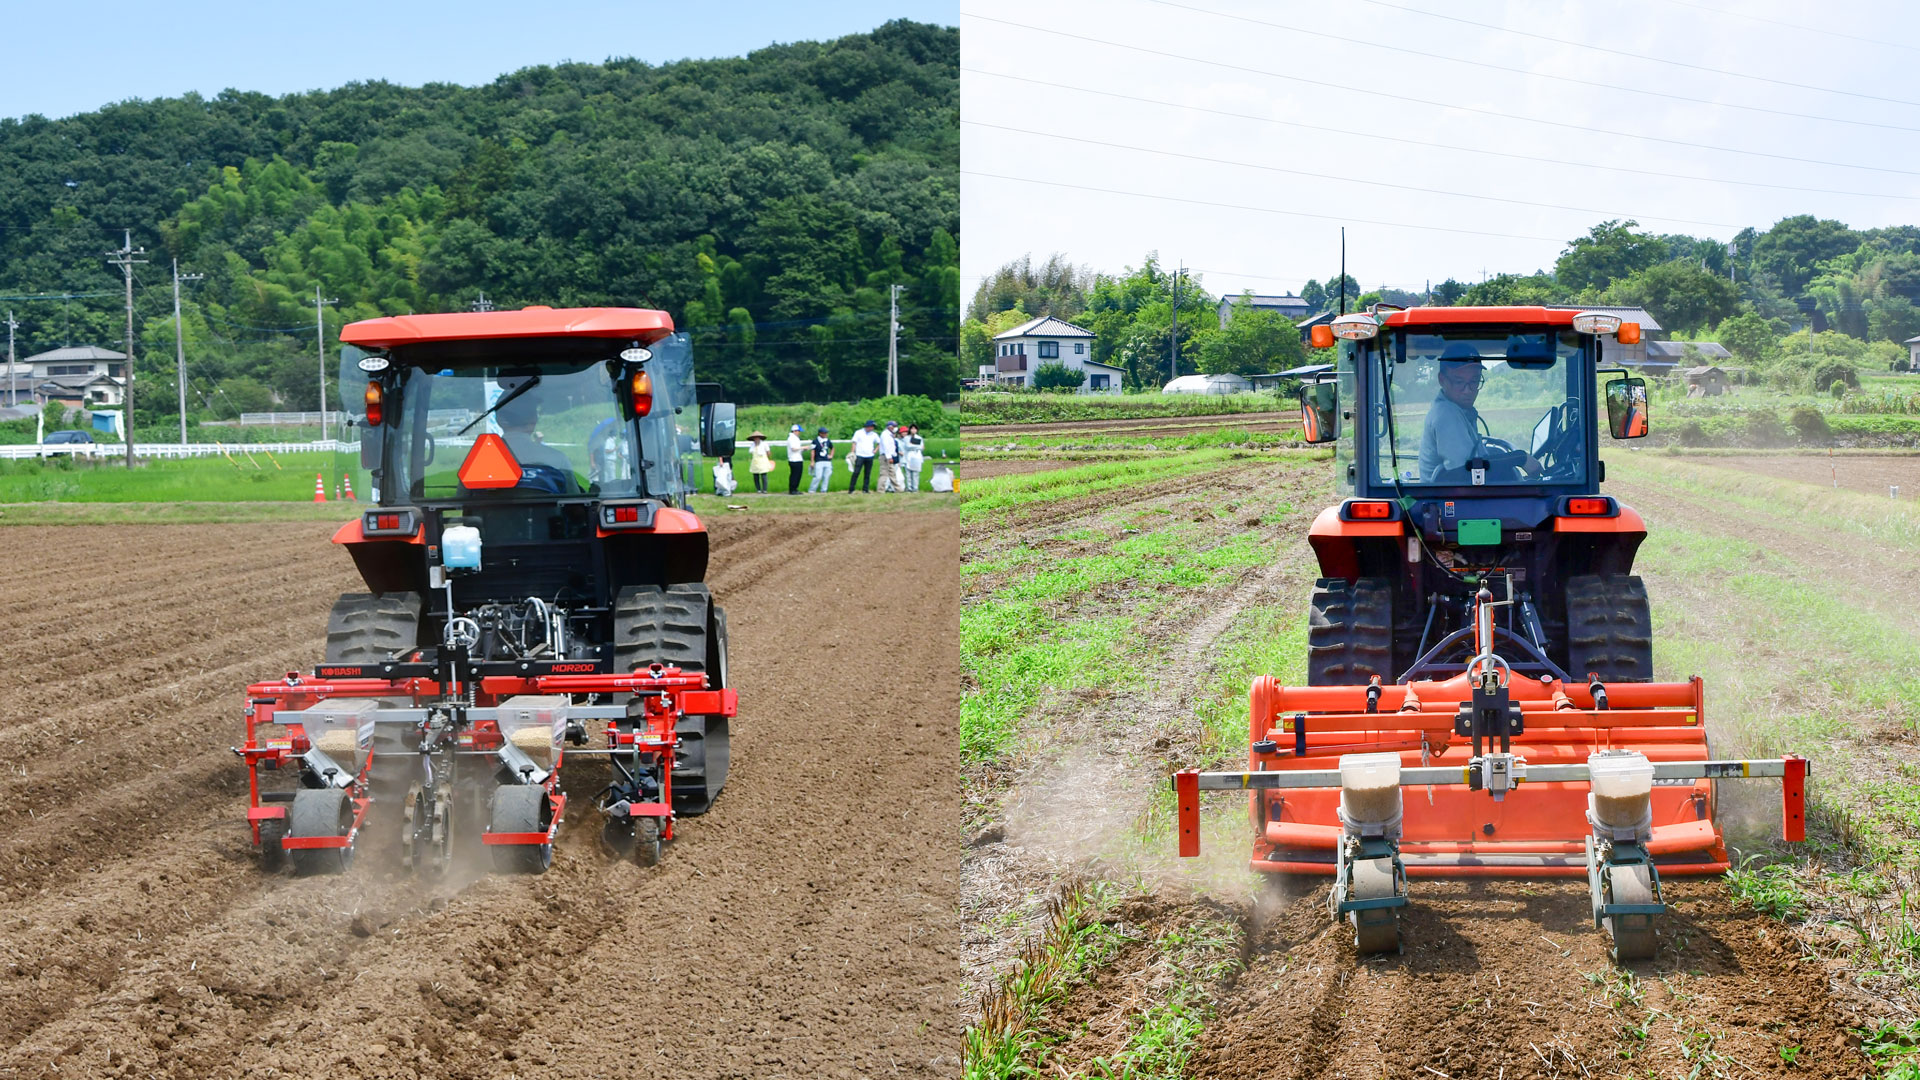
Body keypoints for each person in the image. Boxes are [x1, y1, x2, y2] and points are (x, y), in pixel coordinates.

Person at [1418, 348, 1542, 483]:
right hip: (1448, 501)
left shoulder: (1459, 411)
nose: (1467, 390)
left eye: (1474, 381)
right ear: (1442, 380)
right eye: (1459, 382)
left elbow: (1474, 461)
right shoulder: (1446, 413)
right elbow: (1463, 473)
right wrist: (1519, 458)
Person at [495, 384, 575, 475]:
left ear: (499, 420)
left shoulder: (479, 460)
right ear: (534, 420)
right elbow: (571, 489)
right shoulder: (557, 459)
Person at [847, 420, 880, 493]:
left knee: (867, 473)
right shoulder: (859, 432)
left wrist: (875, 450)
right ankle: (851, 489)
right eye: (871, 426)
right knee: (856, 472)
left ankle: (865, 489)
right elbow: (854, 443)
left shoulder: (874, 434)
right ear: (868, 426)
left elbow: (879, 443)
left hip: (869, 456)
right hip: (860, 455)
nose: (872, 428)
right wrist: (852, 452)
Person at [808, 425, 835, 493]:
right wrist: (812, 461)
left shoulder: (828, 440)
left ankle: (824, 490)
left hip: (827, 461)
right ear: (820, 433)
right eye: (824, 433)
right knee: (818, 476)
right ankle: (812, 490)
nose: (826, 434)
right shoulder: (815, 441)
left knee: (826, 476)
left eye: (826, 433)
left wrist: (831, 455)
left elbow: (832, 448)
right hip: (819, 460)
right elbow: (812, 451)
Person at [877, 421, 900, 493]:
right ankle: (880, 490)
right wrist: (889, 457)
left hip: (889, 456)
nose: (896, 428)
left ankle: (898, 489)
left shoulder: (890, 435)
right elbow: (886, 447)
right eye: (894, 426)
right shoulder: (885, 435)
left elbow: (891, 446)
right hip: (885, 456)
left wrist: (894, 455)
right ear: (890, 427)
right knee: (884, 473)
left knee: (892, 473)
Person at [900, 423, 926, 492]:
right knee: (908, 474)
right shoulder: (906, 438)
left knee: (915, 473)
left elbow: (922, 447)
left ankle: (915, 488)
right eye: (912, 429)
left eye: (915, 429)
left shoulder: (919, 438)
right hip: (908, 456)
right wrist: (917, 446)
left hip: (917, 456)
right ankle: (909, 488)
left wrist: (915, 446)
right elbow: (908, 446)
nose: (913, 430)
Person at [785, 423, 806, 495]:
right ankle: (792, 489)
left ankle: (795, 488)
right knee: (795, 475)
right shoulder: (791, 438)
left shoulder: (796, 438)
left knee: (798, 475)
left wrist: (802, 449)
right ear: (794, 431)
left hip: (798, 458)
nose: (799, 433)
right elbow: (793, 448)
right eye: (798, 431)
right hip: (794, 459)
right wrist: (803, 448)